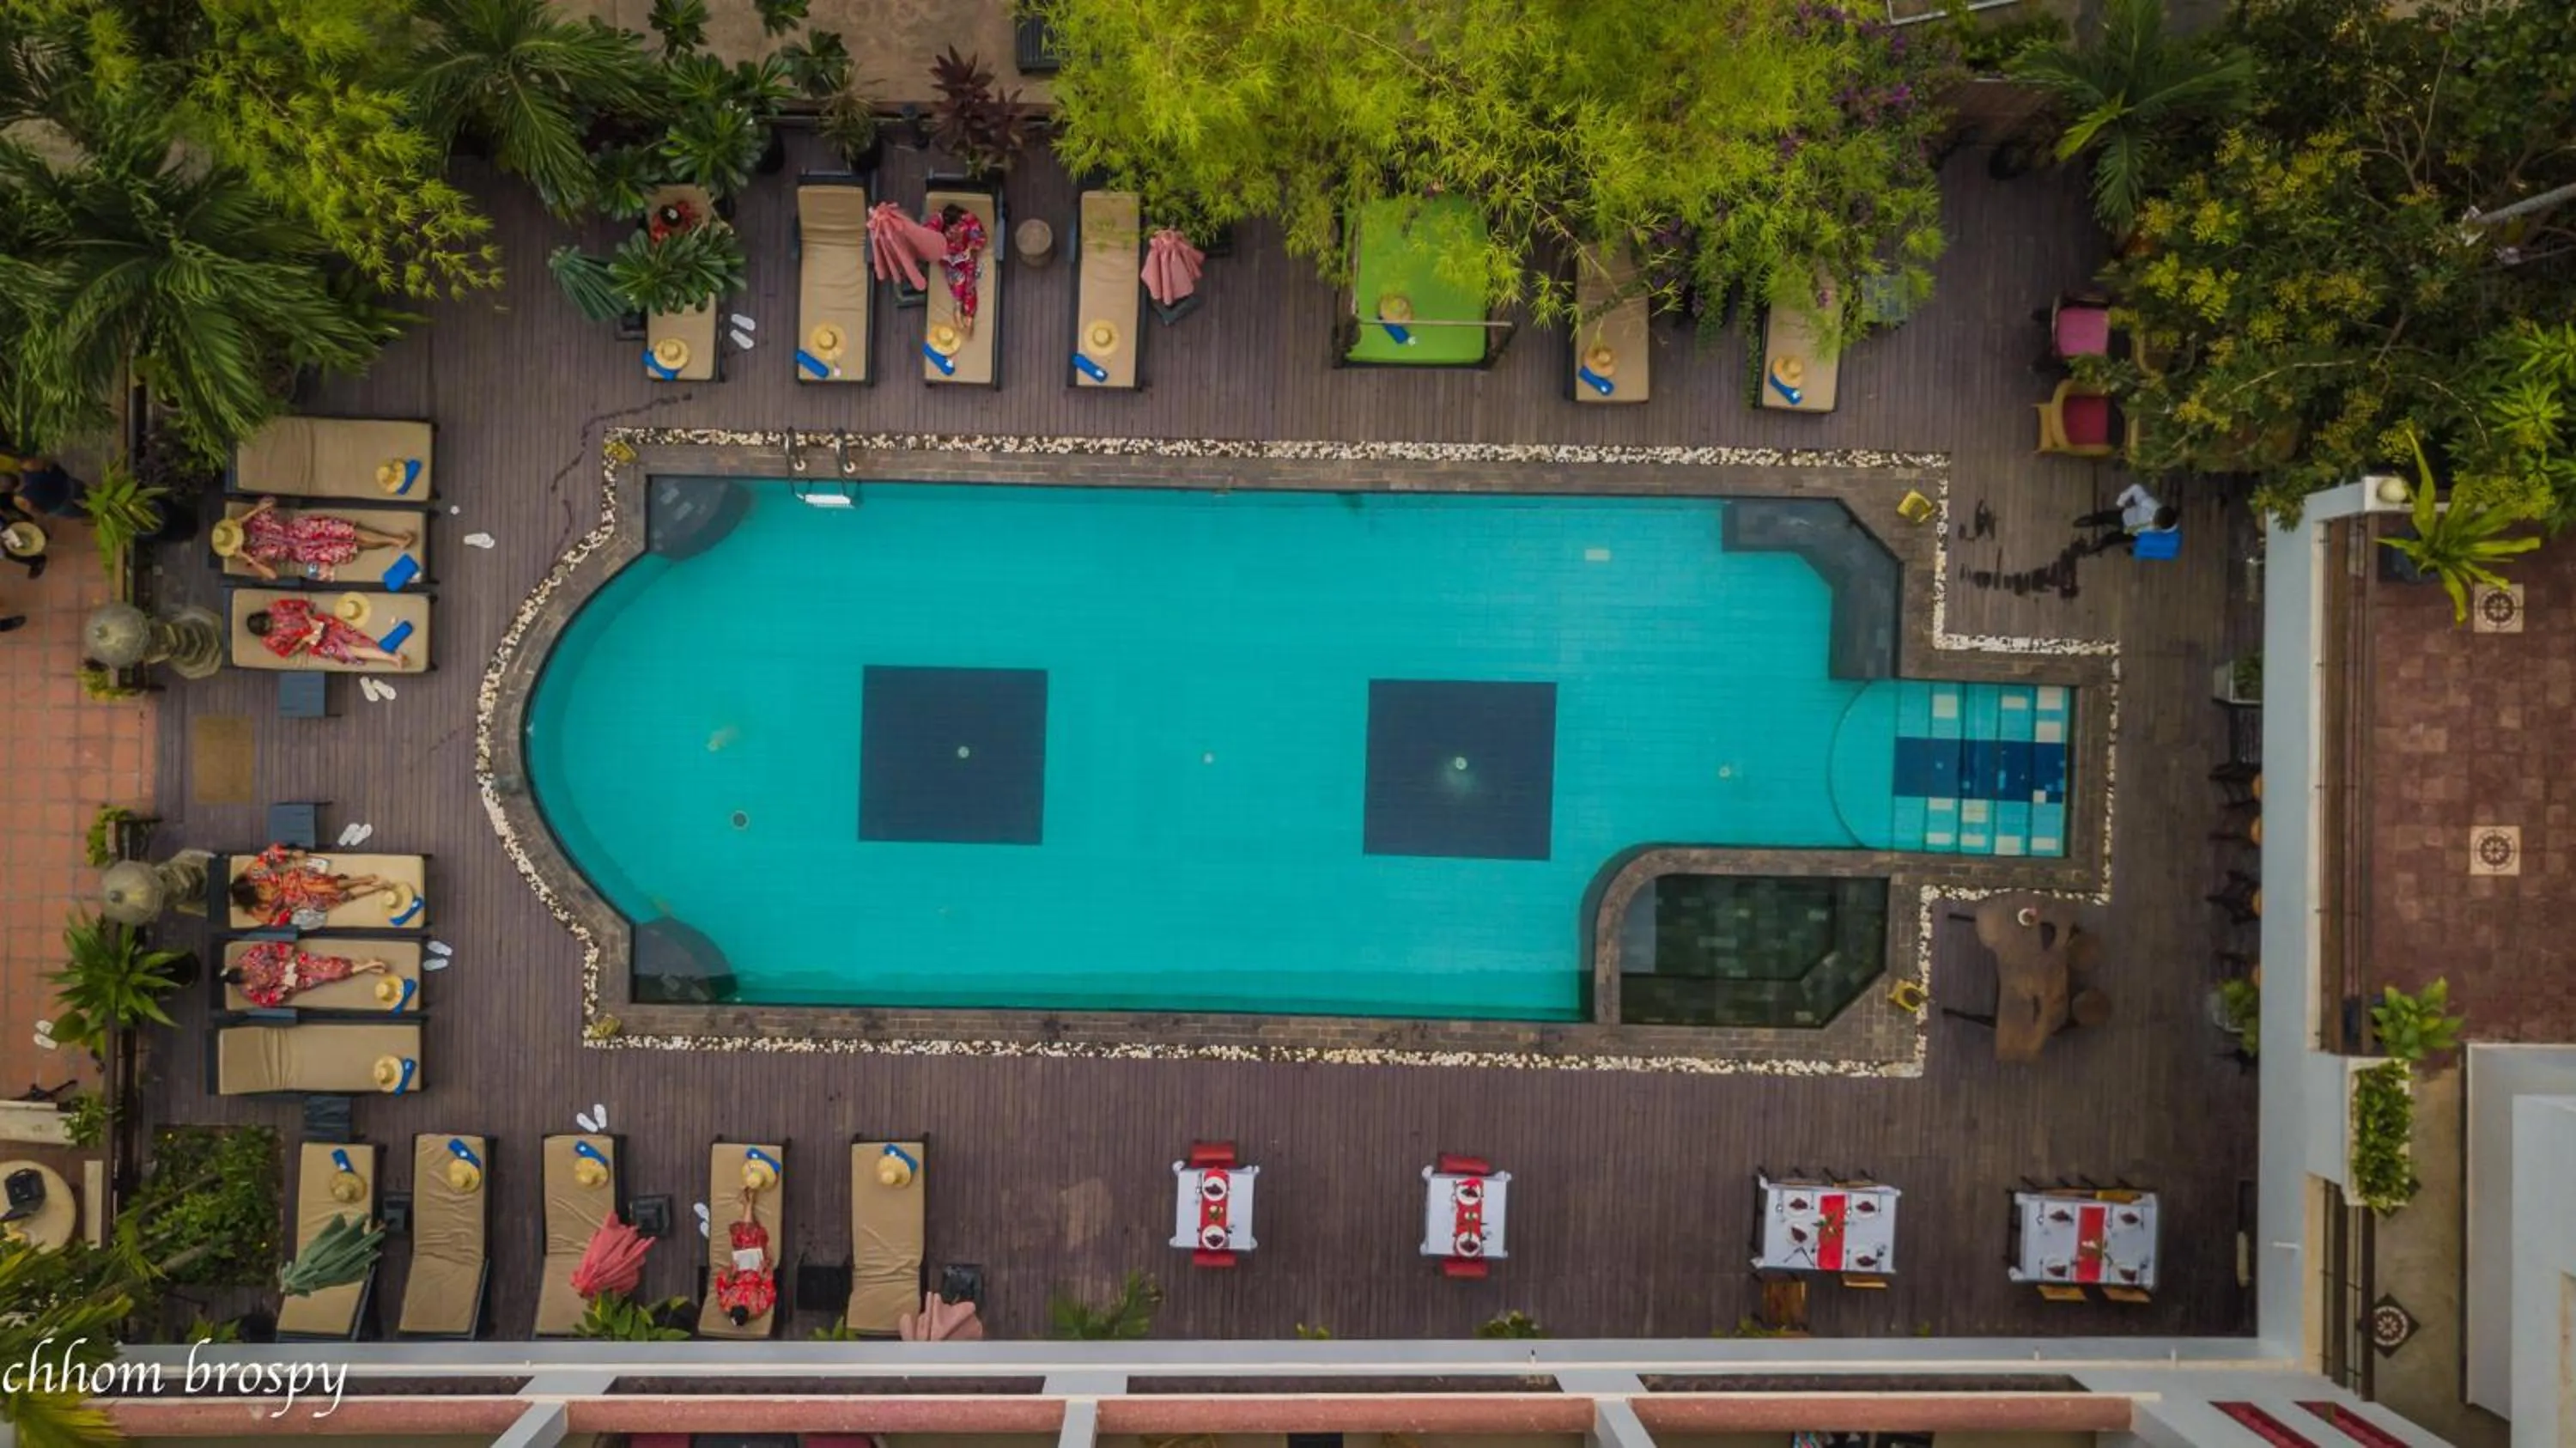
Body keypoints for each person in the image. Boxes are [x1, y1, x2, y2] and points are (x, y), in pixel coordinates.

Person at [216, 499, 415, 581]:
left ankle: (395, 540)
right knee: (352, 547)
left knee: (350, 531)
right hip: (304, 554)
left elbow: (271, 501)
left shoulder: (255, 520)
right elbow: (272, 575)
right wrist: (244, 555)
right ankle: (394, 542)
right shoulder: (253, 557)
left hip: (304, 529)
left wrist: (246, 516)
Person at [228, 844, 391, 928]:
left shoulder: (254, 873)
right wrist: (287, 911)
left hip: (294, 879)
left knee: (323, 885)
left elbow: (268, 854)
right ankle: (371, 888)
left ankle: (362, 880)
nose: (259, 886)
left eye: (256, 885)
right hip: (294, 900)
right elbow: (274, 921)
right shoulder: (257, 910)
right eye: (257, 890)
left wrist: (291, 854)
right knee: (332, 899)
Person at [246, 595, 408, 667]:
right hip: (316, 644)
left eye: (271, 622)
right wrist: (304, 640)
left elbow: (303, 606)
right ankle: (391, 658)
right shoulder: (270, 642)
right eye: (270, 629)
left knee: (355, 638)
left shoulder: (277, 607)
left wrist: (310, 620)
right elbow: (288, 653)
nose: (275, 626)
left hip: (322, 624)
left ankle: (389, 654)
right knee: (349, 651)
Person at [222, 940, 391, 1007]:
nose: (248, 975)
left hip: (294, 962)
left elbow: (270, 948)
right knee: (330, 975)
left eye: (245, 972)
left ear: (241, 968)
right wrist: (284, 986)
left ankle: (369, 966)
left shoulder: (249, 958)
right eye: (244, 979)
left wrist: (289, 958)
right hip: (295, 981)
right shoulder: (249, 990)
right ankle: (368, 966)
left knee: (329, 965)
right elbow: (269, 999)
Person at [711, 1200, 775, 1328]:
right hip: (756, 1268)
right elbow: (769, 1289)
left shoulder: (726, 1303)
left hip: (740, 1268)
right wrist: (763, 1272)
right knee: (752, 1240)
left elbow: (721, 1284)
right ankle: (749, 1204)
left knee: (743, 1240)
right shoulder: (758, 1307)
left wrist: (732, 1273)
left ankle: (749, 1205)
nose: (741, 1302)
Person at [932, 203, 988, 336]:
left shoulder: (968, 219)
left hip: (966, 253)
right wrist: (944, 254)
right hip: (949, 257)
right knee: (957, 279)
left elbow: (979, 236)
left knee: (969, 282)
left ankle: (969, 314)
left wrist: (971, 247)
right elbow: (929, 239)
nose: (953, 229)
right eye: (950, 227)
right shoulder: (938, 222)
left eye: (955, 225)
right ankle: (957, 306)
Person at [2074, 484, 2178, 554]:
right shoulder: (2166, 528)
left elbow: (2136, 488)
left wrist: (2122, 500)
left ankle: (2081, 523)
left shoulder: (2149, 503)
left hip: (2125, 517)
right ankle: (2087, 550)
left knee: (2103, 517)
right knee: (2109, 539)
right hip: (2131, 533)